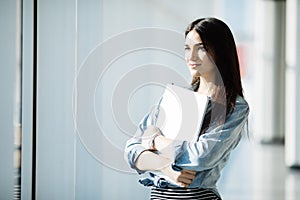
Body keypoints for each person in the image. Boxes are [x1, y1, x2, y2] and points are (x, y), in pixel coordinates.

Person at [124, 17, 249, 200]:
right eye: (187, 48)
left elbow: (200, 157)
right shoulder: (177, 98)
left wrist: (156, 141)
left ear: (220, 52)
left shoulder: (234, 106)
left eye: (201, 49)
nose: (191, 57)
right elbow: (132, 150)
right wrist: (166, 168)